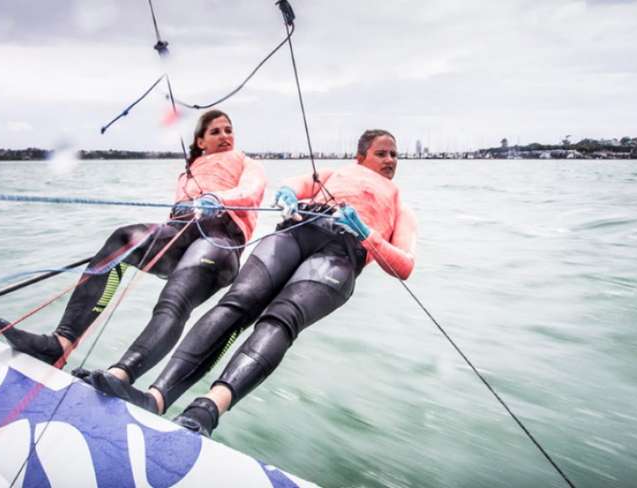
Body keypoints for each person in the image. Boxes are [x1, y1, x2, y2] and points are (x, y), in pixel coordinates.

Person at [89, 129, 417, 436]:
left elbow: (404, 265)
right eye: (382, 153)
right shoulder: (334, 174)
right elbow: (292, 184)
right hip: (294, 232)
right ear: (360, 158)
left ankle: (205, 411)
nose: (390, 161)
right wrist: (288, 194)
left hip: (340, 255)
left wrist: (366, 232)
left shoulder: (401, 204)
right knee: (236, 304)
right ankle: (155, 397)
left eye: (394, 155)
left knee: (281, 319)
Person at [0, 110, 266, 395]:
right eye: (216, 132)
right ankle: (59, 345)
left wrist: (218, 199)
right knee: (123, 239)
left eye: (228, 130)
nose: (225, 136)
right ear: (200, 141)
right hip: (178, 235)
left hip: (220, 240)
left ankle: (121, 375)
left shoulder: (246, 162)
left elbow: (252, 189)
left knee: (174, 298)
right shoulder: (188, 171)